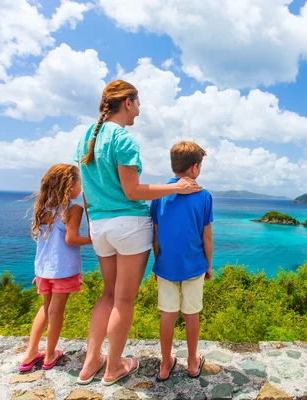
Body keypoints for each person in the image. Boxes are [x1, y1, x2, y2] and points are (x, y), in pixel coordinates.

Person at [75, 80, 201, 386]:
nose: (140, 109)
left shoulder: (85, 139)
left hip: (100, 225)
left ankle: (91, 362)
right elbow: (132, 191)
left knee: (107, 294)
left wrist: (93, 225)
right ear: (127, 102)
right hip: (128, 226)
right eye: (138, 102)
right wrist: (177, 187)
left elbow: (89, 194)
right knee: (124, 299)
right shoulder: (122, 139)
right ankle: (113, 366)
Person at [150, 141, 213, 382]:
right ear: (195, 167)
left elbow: (156, 233)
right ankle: (192, 362)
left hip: (166, 266)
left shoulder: (159, 195)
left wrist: (158, 262)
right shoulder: (204, 196)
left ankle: (165, 364)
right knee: (191, 314)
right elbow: (206, 235)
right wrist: (208, 264)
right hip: (194, 265)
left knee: (167, 314)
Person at [19, 164, 91, 372]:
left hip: (44, 269)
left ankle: (30, 353)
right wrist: (94, 240)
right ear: (70, 186)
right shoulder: (73, 209)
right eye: (79, 183)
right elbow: (71, 238)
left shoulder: (43, 209)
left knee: (45, 308)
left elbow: (45, 243)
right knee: (57, 311)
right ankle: (50, 355)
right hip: (63, 269)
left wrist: (40, 271)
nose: (80, 187)